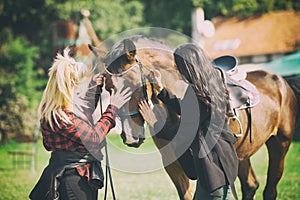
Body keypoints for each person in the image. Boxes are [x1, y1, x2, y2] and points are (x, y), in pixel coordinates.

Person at [138, 43, 239, 200]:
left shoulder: (197, 92)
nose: (178, 71)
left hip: (213, 168)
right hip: (218, 166)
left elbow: (186, 133)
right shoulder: (210, 87)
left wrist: (155, 123)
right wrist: (162, 91)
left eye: (180, 67)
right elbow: (190, 111)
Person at [29, 47, 132, 200]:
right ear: (71, 87)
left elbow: (83, 111)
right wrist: (113, 108)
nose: (86, 85)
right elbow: (93, 137)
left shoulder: (59, 111)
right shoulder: (62, 117)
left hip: (78, 173)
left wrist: (94, 90)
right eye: (83, 82)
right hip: (72, 178)